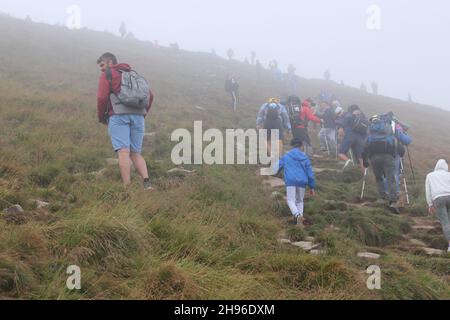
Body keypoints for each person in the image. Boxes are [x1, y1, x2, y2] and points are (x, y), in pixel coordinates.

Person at [97, 52, 154, 190]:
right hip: (138, 116)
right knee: (135, 153)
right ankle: (147, 183)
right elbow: (150, 95)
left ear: (110, 62)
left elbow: (102, 98)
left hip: (118, 115)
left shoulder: (108, 74)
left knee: (123, 152)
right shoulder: (134, 75)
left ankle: (127, 187)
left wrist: (102, 117)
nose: (101, 69)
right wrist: (142, 114)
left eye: (102, 65)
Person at [362, 114, 400, 213]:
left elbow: (365, 147)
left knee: (379, 178)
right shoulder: (387, 128)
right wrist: (395, 154)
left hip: (374, 157)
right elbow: (395, 143)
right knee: (390, 178)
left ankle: (383, 198)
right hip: (388, 156)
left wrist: (365, 160)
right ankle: (393, 201)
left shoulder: (370, 131)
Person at [274, 138, 315, 226]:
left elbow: (275, 167)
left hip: (290, 181)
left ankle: (297, 216)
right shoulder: (305, 158)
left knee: (290, 200)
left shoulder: (286, 156)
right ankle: (300, 222)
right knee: (300, 201)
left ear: (292, 146)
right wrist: (312, 187)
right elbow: (310, 174)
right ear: (301, 146)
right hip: (302, 182)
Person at [425, 159, 450, 253]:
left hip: (438, 199)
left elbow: (428, 190)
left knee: (445, 223)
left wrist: (430, 204)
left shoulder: (430, 175)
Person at [337, 104, 369, 173]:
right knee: (361, 158)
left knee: (340, 153)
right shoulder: (362, 116)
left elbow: (342, 127)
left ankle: (349, 162)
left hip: (350, 136)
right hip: (360, 139)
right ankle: (365, 174)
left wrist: (340, 136)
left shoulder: (349, 115)